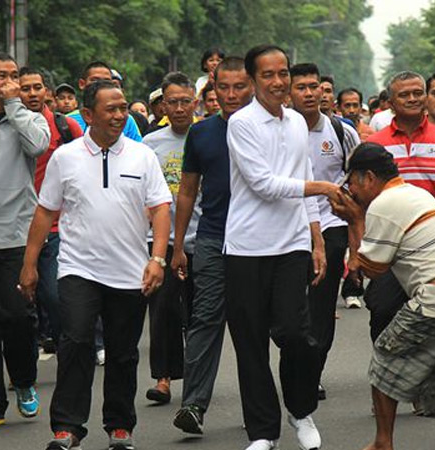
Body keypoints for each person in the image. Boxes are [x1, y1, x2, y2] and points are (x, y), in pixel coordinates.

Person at [18, 80, 171, 450]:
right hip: (78, 269)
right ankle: (67, 428)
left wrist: (158, 259)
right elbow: (45, 211)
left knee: (122, 351)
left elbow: (161, 207)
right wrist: (30, 263)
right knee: (76, 340)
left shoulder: (141, 155)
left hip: (129, 271)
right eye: (111, 109)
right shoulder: (65, 157)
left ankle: (120, 427)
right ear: (88, 115)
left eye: (122, 108)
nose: (120, 115)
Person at [330, 143, 435, 450]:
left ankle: (383, 442)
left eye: (352, 182)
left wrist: (355, 220)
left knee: (384, 357)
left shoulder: (385, 203)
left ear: (368, 177)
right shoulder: (416, 193)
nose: (351, 190)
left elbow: (371, 269)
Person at [225, 44, 347, 450]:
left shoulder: (297, 122)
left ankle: (301, 409)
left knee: (297, 334)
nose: (278, 83)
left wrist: (316, 239)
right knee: (251, 342)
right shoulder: (241, 124)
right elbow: (263, 184)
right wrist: (322, 188)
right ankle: (263, 432)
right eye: (268, 76)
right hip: (246, 247)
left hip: (293, 245)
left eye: (283, 74)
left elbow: (304, 174)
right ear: (253, 81)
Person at [169, 56, 254, 435]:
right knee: (204, 318)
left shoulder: (271, 129)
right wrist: (176, 246)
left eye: (240, 86)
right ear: (212, 90)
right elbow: (187, 192)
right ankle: (193, 405)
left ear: (252, 86)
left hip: (258, 242)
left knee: (254, 324)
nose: (232, 94)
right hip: (212, 237)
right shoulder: (201, 134)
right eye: (224, 87)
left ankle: (259, 407)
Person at [0, 52, 49, 429]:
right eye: (2, 76)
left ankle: (24, 382)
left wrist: (15, 103)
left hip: (17, 237)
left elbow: (37, 147)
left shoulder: (30, 120)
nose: (10, 82)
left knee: (17, 317)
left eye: (14, 75)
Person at [364, 71, 435, 345]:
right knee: (383, 310)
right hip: (390, 248)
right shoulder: (375, 145)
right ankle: (388, 377)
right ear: (391, 103)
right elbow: (362, 200)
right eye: (404, 95)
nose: (412, 99)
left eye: (417, 93)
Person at [289, 62, 360, 400]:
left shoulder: (341, 131)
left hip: (331, 224)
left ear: (323, 90)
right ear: (289, 92)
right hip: (289, 226)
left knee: (320, 305)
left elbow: (359, 180)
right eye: (300, 86)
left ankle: (312, 372)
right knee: (289, 310)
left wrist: (357, 239)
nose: (308, 92)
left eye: (313, 86)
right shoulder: (278, 129)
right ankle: (296, 361)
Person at [142, 72, 200, 405]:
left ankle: (195, 379)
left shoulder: (207, 137)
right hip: (160, 241)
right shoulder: (150, 144)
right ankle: (163, 379)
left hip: (201, 238)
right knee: (163, 310)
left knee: (197, 314)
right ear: (163, 104)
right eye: (172, 101)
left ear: (195, 103)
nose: (179, 108)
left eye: (185, 101)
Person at [18, 67, 83, 351]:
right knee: (19, 306)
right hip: (17, 227)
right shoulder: (9, 126)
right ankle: (24, 370)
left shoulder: (67, 127)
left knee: (55, 296)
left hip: (57, 226)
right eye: (25, 88)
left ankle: (67, 347)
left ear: (48, 93)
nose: (32, 93)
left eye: (37, 87)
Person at [67, 61, 142, 142]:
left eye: (106, 81)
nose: (101, 85)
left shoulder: (126, 120)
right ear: (82, 84)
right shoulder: (68, 121)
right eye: (95, 80)